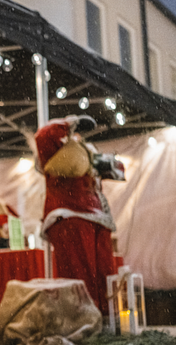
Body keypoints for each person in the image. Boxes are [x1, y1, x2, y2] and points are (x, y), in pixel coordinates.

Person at [33, 115, 118, 314]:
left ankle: (104, 317)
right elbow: (42, 135)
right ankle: (82, 319)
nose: (76, 135)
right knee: (80, 273)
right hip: (70, 216)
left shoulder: (84, 154)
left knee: (104, 272)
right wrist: (69, 123)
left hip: (96, 217)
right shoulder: (54, 152)